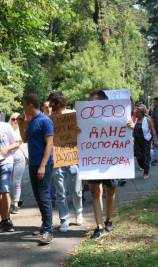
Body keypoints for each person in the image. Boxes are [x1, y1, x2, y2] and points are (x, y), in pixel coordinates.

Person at [18, 95, 54, 245]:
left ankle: (48, 230)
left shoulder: (45, 121)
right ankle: (45, 224)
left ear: (31, 104)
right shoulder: (31, 120)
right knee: (38, 196)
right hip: (33, 163)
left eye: (25, 105)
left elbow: (49, 144)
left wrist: (43, 166)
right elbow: (25, 139)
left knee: (44, 195)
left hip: (43, 164)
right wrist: (21, 124)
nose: (23, 108)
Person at [47, 92, 84, 232]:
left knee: (77, 190)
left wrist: (76, 130)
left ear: (58, 103)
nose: (51, 106)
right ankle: (64, 219)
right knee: (60, 192)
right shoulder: (50, 119)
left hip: (73, 157)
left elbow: (81, 132)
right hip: (57, 158)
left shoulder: (73, 114)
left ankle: (79, 213)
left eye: (53, 103)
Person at [87, 90, 118, 239]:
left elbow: (123, 135)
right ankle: (99, 226)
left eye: (95, 102)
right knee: (95, 191)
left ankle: (108, 220)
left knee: (111, 189)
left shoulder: (114, 117)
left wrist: (129, 126)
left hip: (109, 161)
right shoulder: (85, 119)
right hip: (93, 160)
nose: (92, 105)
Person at [133, 104, 157, 179]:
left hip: (146, 140)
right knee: (138, 156)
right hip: (137, 141)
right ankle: (144, 166)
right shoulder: (134, 119)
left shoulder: (147, 119)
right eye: (136, 111)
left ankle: (146, 172)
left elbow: (152, 129)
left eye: (138, 112)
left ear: (142, 112)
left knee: (146, 156)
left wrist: (155, 139)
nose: (136, 113)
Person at [9, 113, 26, 214]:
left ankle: (15, 203)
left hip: (19, 158)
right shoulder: (6, 130)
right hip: (8, 158)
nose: (15, 121)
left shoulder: (22, 130)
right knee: (9, 182)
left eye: (18, 119)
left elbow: (20, 142)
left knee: (16, 182)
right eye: (13, 119)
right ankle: (12, 200)